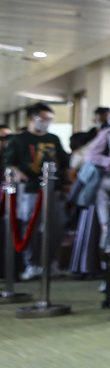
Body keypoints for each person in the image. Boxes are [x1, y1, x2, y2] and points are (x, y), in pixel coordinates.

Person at [2, 103, 69, 281]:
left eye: (50, 119)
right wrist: (18, 174)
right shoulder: (18, 140)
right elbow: (9, 163)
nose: (47, 122)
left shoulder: (53, 139)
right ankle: (32, 264)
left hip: (53, 188)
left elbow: (64, 162)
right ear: (33, 119)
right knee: (30, 227)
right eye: (44, 119)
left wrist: (67, 181)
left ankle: (51, 263)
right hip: (30, 189)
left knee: (55, 228)